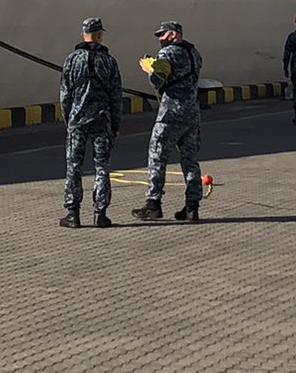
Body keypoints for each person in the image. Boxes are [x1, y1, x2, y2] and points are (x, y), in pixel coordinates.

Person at [133, 21, 205, 223]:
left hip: (171, 114)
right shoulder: (195, 53)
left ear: (173, 35)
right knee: (190, 161)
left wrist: (150, 69)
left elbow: (158, 80)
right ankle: (192, 208)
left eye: (162, 35)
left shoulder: (168, 54)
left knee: (157, 155)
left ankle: (153, 204)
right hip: (192, 113)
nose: (159, 39)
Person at [58, 16, 123, 227]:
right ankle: (100, 214)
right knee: (102, 167)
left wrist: (68, 120)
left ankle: (73, 214)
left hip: (77, 120)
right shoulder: (109, 61)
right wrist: (116, 125)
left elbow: (65, 95)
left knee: (74, 166)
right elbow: (116, 95)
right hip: (102, 120)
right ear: (100, 35)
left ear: (82, 34)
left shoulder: (71, 60)